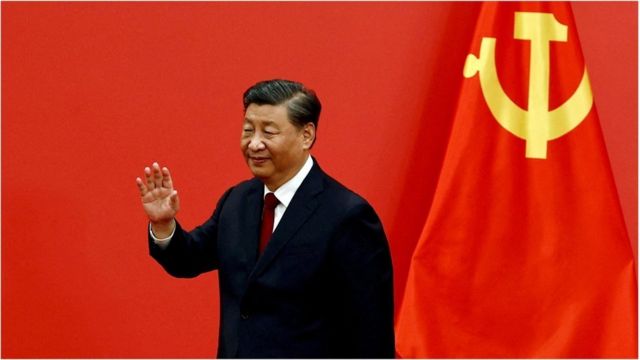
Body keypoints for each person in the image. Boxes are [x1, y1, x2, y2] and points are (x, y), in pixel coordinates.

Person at [135, 79, 395, 358]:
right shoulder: (237, 201)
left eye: (268, 132)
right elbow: (187, 258)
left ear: (306, 135)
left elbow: (371, 333)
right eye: (248, 130)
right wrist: (164, 224)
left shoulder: (347, 216)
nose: (254, 143)